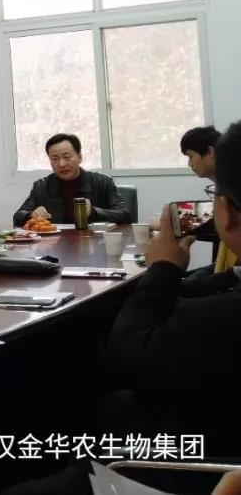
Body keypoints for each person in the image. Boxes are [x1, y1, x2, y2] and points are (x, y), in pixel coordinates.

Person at [105, 119, 241, 454]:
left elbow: (128, 357)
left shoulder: (209, 320)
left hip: (206, 460)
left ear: (226, 213)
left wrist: (163, 268)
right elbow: (231, 275)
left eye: (191, 156)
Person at [13, 133, 131, 228]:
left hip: (94, 242)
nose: (61, 164)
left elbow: (124, 215)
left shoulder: (103, 182)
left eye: (67, 157)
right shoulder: (41, 186)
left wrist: (94, 212)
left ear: (80, 157)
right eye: (55, 159)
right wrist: (31, 214)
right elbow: (18, 216)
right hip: (55, 243)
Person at [181, 125, 236, 273]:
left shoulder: (233, 185)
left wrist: (176, 221)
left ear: (211, 151)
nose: (189, 164)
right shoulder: (225, 183)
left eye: (190, 156)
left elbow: (222, 221)